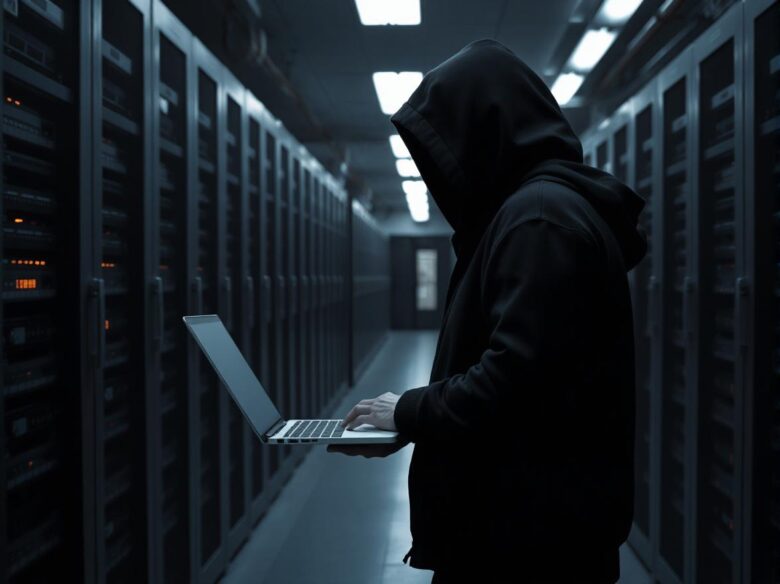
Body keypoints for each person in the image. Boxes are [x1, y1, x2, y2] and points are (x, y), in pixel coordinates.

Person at [328, 39, 646, 584]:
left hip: (527, 547)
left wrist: (410, 411)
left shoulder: (539, 219)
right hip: (524, 530)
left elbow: (516, 383)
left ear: (483, 132)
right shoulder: (535, 213)